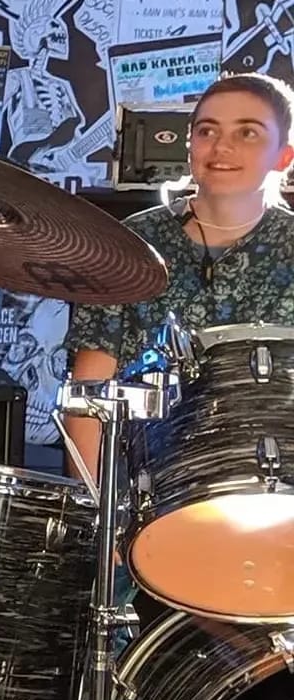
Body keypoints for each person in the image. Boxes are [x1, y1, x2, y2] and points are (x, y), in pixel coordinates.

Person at [64, 72, 294, 483]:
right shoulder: (130, 245)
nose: (222, 146)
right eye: (207, 130)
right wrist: (99, 522)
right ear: (189, 147)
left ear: (283, 157)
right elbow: (89, 397)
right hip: (152, 497)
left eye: (248, 132)